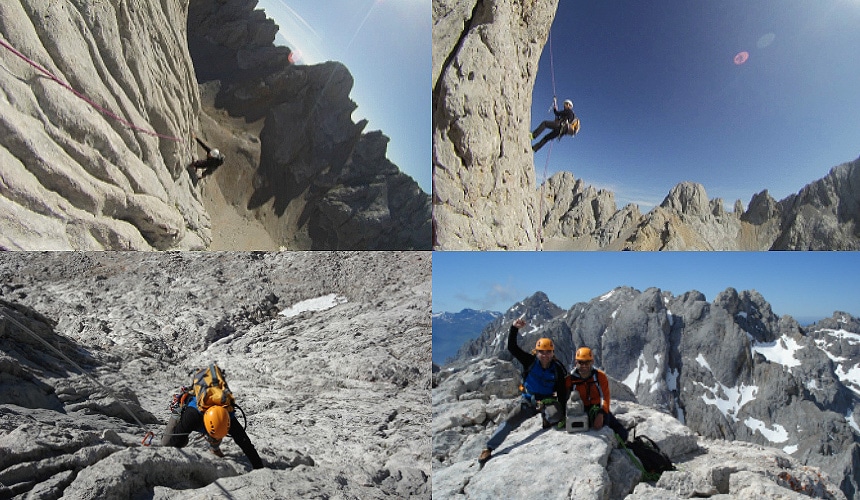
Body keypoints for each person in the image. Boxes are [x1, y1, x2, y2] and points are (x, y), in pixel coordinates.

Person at [478, 318, 569, 466]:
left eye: (548, 352)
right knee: (510, 421)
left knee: (555, 416)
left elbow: (561, 392)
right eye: (541, 352)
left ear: (552, 353)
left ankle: (547, 418)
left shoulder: (557, 369)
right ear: (537, 352)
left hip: (547, 400)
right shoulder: (530, 361)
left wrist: (563, 413)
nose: (545, 355)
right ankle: (489, 448)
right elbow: (512, 348)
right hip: (529, 400)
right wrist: (514, 328)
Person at [162, 367, 264, 469]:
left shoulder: (228, 415)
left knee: (218, 430)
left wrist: (259, 466)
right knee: (167, 442)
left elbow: (245, 443)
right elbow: (174, 444)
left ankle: (214, 448)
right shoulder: (191, 417)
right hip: (187, 408)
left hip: (211, 420)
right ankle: (178, 412)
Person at [566, 347, 628, 442]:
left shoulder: (599, 376)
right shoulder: (570, 379)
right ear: (576, 363)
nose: (584, 366)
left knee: (622, 433)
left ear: (592, 362)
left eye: (587, 362)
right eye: (581, 362)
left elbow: (605, 397)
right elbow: (564, 396)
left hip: (597, 408)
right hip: (579, 410)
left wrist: (601, 413)